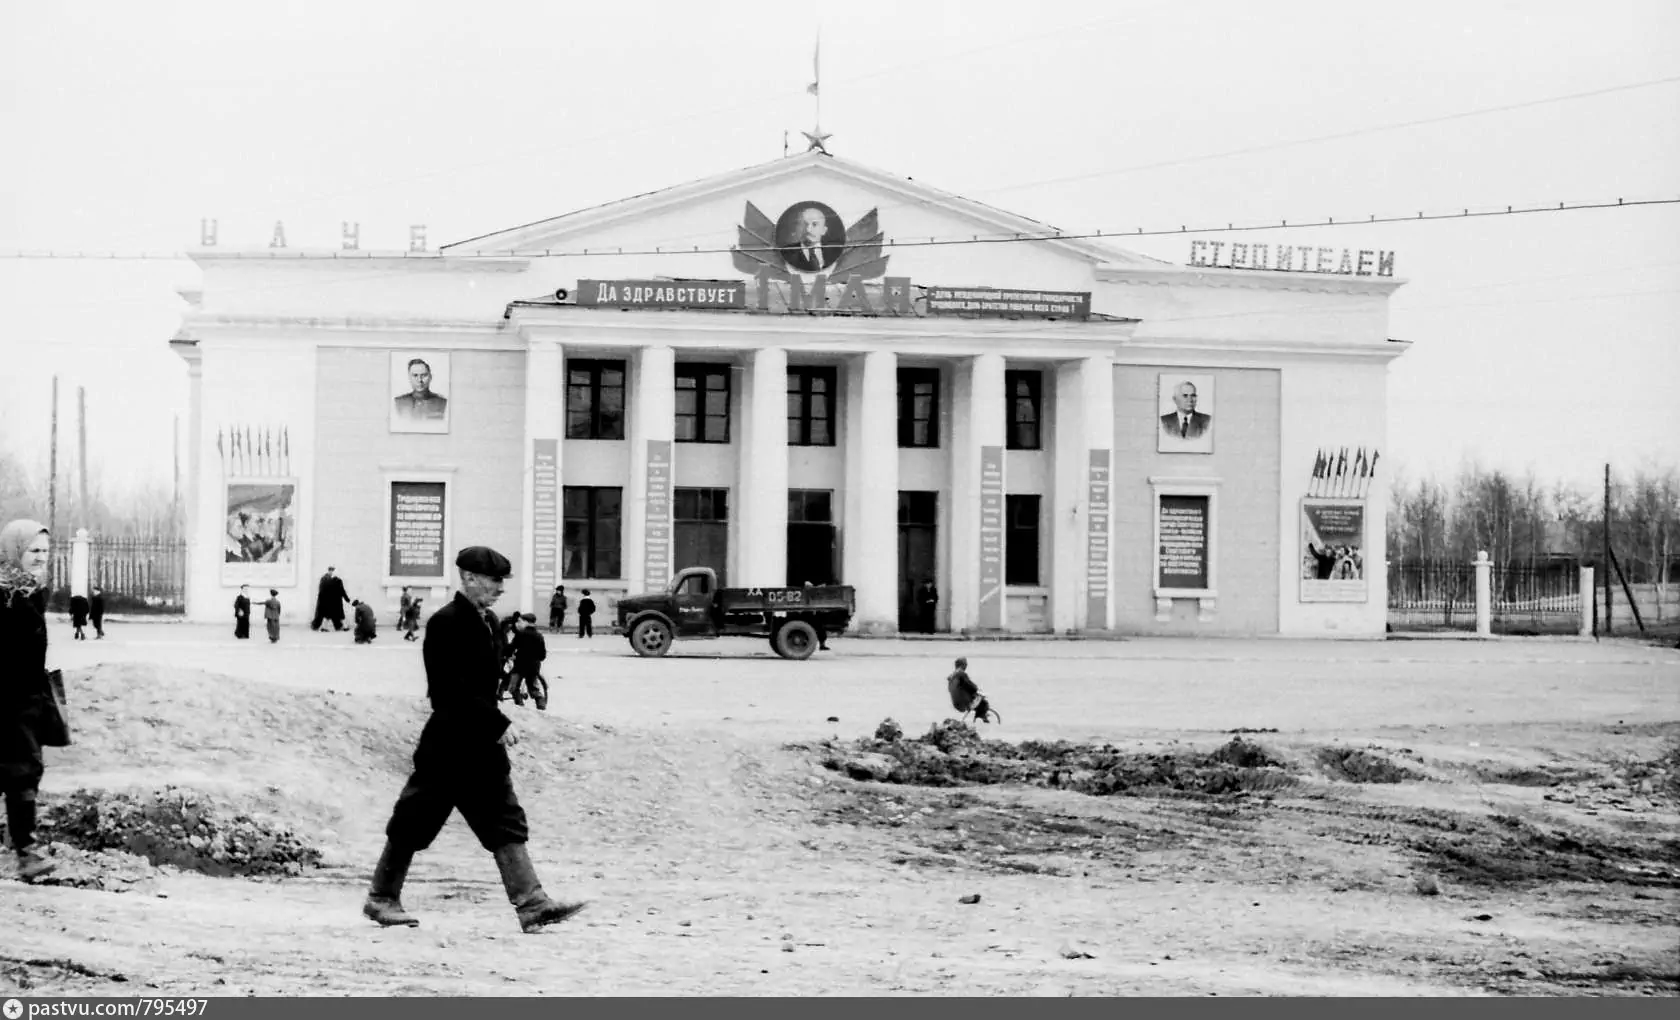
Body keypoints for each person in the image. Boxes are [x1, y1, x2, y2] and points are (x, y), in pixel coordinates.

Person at [363, 545, 585, 934]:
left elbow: (485, 685)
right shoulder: (446, 623)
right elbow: (449, 691)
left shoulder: (489, 623)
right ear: (468, 578)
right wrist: (496, 722)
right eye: (494, 580)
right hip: (449, 746)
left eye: (502, 581)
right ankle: (381, 898)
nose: (500, 588)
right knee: (413, 820)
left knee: (504, 819)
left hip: (481, 749)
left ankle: (532, 904)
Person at [1, 518, 59, 883]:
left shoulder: (30, 593)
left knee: (24, 768)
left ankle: (23, 845)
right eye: (33, 551)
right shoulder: (5, 597)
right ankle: (27, 853)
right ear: (13, 552)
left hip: (28, 697)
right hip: (6, 699)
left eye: (46, 552)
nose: (41, 558)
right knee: (22, 768)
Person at [506, 614, 549, 711]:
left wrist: (508, 654)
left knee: (513, 687)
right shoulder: (539, 635)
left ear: (526, 622)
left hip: (520, 666)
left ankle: (520, 706)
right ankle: (541, 705)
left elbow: (511, 647)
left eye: (520, 621)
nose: (518, 624)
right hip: (534, 667)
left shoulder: (521, 634)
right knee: (534, 688)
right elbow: (543, 655)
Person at [782, 205, 839, 273]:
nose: (808, 230)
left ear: (824, 230)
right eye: (804, 224)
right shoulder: (785, 253)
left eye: (815, 224)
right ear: (797, 228)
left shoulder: (836, 251)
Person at [946, 656, 999, 724]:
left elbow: (962, 687)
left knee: (977, 702)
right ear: (963, 665)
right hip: (964, 701)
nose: (966, 666)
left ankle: (980, 715)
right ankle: (981, 717)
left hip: (955, 703)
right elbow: (970, 686)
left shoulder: (951, 676)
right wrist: (977, 690)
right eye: (965, 664)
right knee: (984, 703)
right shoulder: (961, 674)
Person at [312, 566, 350, 632]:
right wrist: (347, 599)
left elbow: (321, 590)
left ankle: (324, 628)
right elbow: (342, 591)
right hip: (336, 601)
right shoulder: (338, 580)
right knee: (340, 614)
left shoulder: (324, 579)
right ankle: (345, 627)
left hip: (328, 601)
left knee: (327, 615)